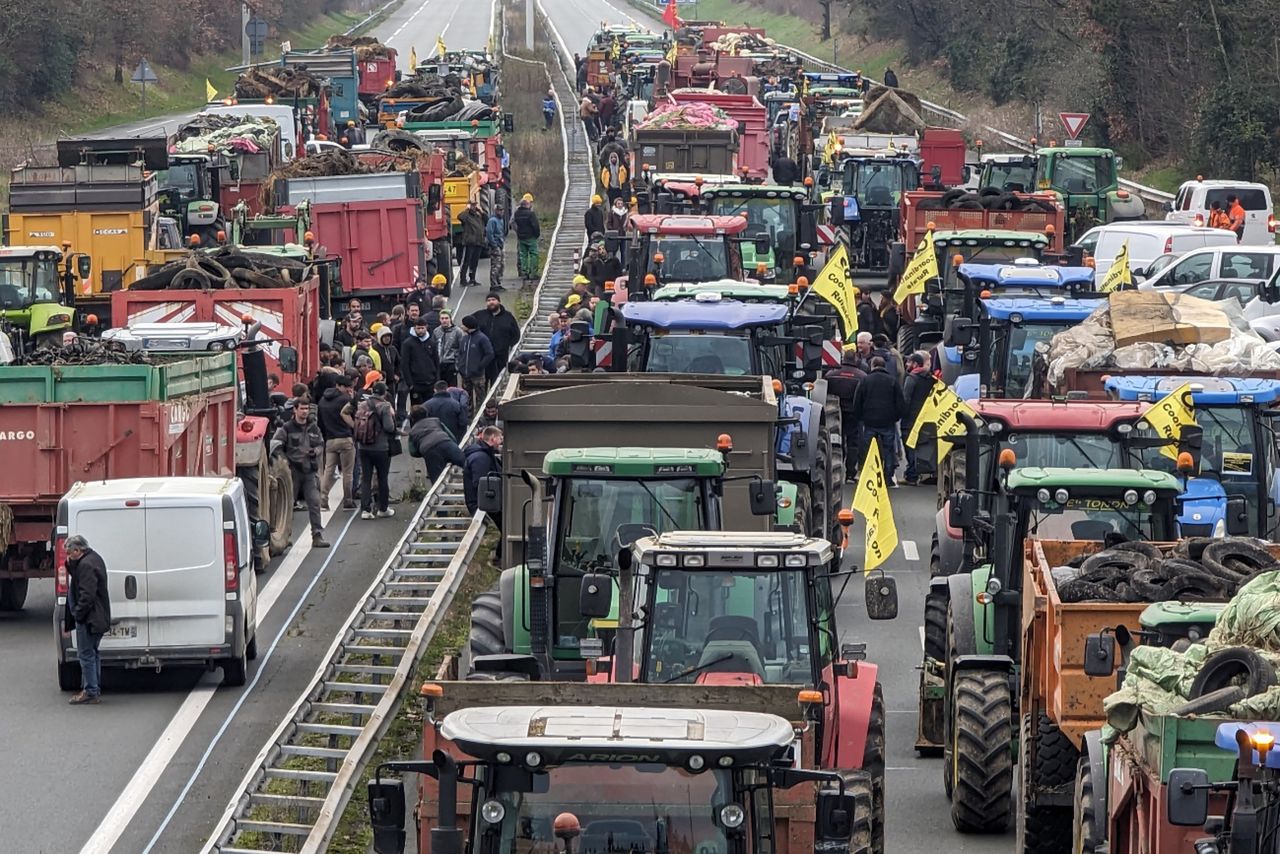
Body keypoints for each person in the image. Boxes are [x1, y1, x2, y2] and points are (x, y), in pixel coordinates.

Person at [271, 398, 330, 547]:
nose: (305, 412)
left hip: (309, 471)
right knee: (286, 505)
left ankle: (317, 535)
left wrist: (315, 451)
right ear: (295, 410)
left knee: (314, 503)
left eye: (307, 409)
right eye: (302, 409)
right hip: (293, 473)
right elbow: (276, 445)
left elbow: (320, 444)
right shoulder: (287, 428)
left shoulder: (313, 428)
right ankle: (284, 536)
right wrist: (285, 462)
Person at [63, 534, 110, 705]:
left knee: (86, 654)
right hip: (96, 616)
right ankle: (93, 688)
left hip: (89, 618)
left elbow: (87, 595)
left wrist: (78, 614)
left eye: (69, 553)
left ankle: (90, 690)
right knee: (93, 653)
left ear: (77, 550)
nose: (68, 557)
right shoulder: (93, 559)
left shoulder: (86, 566)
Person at [851, 356, 905, 487]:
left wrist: (860, 416)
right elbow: (900, 401)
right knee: (888, 450)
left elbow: (857, 400)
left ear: (872, 366)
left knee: (869, 450)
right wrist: (896, 417)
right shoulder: (892, 381)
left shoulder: (865, 380)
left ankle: (870, 475)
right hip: (887, 421)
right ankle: (888, 477)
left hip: (869, 421)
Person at [356, 381, 398, 520]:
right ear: (384, 393)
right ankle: (383, 508)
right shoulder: (385, 406)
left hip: (363, 446)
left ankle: (365, 510)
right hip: (381, 447)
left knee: (366, 478)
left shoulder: (363, 404)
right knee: (382, 478)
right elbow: (389, 427)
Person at [824, 352, 867, 478]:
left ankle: (836, 468)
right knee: (853, 442)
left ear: (843, 359)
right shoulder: (862, 376)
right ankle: (850, 472)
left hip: (834, 413)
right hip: (854, 413)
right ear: (855, 359)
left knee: (837, 440)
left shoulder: (831, 375)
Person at [319, 374, 358, 511]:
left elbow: (320, 422)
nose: (348, 390)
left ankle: (323, 500)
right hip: (345, 438)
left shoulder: (322, 401)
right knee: (347, 472)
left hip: (330, 439)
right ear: (339, 386)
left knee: (328, 471)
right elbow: (354, 415)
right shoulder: (345, 400)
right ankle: (348, 501)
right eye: (347, 387)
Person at [408, 405, 466, 481]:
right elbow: (451, 436)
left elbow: (412, 451)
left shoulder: (413, 431)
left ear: (412, 418)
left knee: (437, 479)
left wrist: (422, 452)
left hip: (429, 451)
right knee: (466, 463)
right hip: (446, 442)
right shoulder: (436, 421)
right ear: (426, 414)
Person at [901, 351, 933, 486]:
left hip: (911, 417)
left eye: (909, 362)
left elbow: (906, 398)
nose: (907, 364)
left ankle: (912, 475)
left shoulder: (911, 378)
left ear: (915, 364)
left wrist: (902, 413)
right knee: (920, 445)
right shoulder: (931, 379)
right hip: (925, 416)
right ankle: (916, 472)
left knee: (909, 444)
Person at [475, 292, 521, 384]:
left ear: (499, 302)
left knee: (497, 381)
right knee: (482, 382)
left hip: (500, 356)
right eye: (488, 300)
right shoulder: (479, 315)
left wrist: (507, 345)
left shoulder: (508, 316)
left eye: (493, 300)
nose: (491, 302)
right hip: (483, 356)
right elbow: (467, 325)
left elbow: (516, 334)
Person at [463, 426, 503, 517]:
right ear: (493, 438)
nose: (501, 442)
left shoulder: (486, 455)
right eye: (500, 438)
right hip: (483, 506)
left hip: (486, 503)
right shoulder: (480, 458)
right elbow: (480, 484)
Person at [400, 315, 439, 406]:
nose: (420, 330)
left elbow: (436, 362)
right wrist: (410, 384)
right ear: (414, 328)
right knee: (417, 408)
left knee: (430, 408)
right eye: (418, 328)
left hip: (430, 382)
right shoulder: (407, 344)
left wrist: (436, 380)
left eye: (422, 328)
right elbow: (405, 364)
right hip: (416, 383)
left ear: (426, 327)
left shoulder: (431, 343)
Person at [458, 315, 495, 411]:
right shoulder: (464, 338)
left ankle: (481, 415)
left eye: (463, 324)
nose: (461, 326)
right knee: (466, 398)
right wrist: (460, 366)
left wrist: (479, 367)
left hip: (477, 375)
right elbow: (461, 353)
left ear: (468, 326)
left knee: (480, 398)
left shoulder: (482, 338)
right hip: (465, 375)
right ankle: (468, 416)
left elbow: (489, 354)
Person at [458, 200, 487, 286]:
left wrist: (481, 212)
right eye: (472, 205)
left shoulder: (478, 216)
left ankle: (472, 278)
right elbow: (460, 217)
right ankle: (463, 279)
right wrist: (467, 210)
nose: (474, 207)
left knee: (475, 262)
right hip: (470, 242)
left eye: (475, 205)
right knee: (466, 261)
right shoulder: (466, 216)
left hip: (478, 242)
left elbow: (486, 220)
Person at [513, 195, 541, 281]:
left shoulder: (516, 213)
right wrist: (537, 235)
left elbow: (514, 224)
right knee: (533, 254)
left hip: (521, 238)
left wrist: (518, 234)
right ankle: (533, 273)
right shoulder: (531, 214)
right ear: (526, 205)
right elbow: (535, 225)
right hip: (531, 237)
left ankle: (524, 273)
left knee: (523, 255)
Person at [433, 310, 463, 386]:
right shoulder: (436, 331)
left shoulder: (457, 331)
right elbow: (434, 347)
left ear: (450, 319)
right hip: (439, 364)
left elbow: (462, 348)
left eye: (446, 318)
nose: (444, 320)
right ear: (439, 319)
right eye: (442, 318)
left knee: (451, 387)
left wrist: (457, 364)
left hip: (451, 363)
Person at [486, 206, 507, 291]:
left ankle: (498, 282)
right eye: (499, 210)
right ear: (496, 211)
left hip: (500, 245)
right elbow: (489, 233)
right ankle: (493, 284)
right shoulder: (492, 221)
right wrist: (494, 244)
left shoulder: (501, 220)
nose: (501, 212)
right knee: (495, 265)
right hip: (495, 246)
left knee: (501, 265)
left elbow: (502, 232)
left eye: (502, 210)